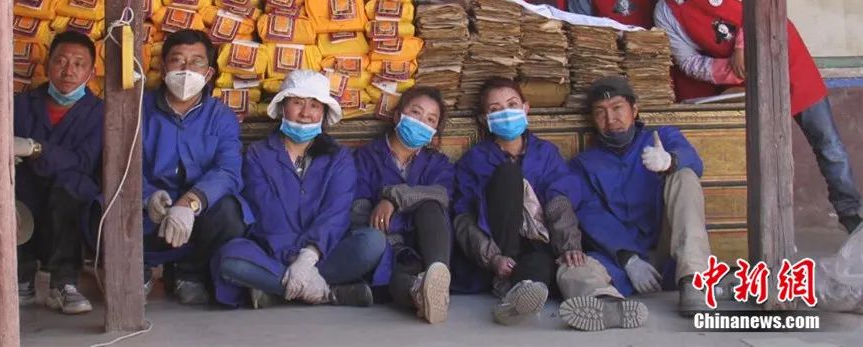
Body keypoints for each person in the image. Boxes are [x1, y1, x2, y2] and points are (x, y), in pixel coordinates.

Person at [644, 0, 863, 233]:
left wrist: (743, 45)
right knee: (762, 157)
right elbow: (687, 61)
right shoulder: (664, 11)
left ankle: (852, 217)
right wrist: (729, 70)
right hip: (743, 83)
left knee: (828, 144)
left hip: (788, 63)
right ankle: (774, 231)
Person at [453, 78, 647, 329]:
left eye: (512, 105)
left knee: (563, 265)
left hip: (540, 246)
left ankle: (603, 303)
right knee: (508, 174)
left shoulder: (545, 153)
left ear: (526, 108)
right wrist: (493, 258)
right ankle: (512, 290)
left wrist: (569, 247)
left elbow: (559, 201)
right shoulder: (474, 160)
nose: (506, 113)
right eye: (495, 109)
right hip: (501, 250)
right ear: (484, 119)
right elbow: (463, 219)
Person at [212, 70, 386, 309]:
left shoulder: (340, 158)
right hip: (273, 252)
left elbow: (336, 212)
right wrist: (294, 257)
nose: (305, 113)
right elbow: (266, 213)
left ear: (323, 113)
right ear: (283, 107)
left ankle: (274, 290)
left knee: (372, 242)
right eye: (297, 103)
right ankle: (328, 293)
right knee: (229, 258)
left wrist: (309, 256)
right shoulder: (258, 155)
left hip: (323, 252)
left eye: (314, 105)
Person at [572, 76, 716, 316]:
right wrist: (629, 259)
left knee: (685, 176)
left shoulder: (662, 137)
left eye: (617, 108)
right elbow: (590, 213)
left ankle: (694, 280)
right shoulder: (583, 164)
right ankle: (607, 307)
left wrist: (671, 161)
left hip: (668, 250)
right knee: (572, 269)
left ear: (634, 110)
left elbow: (693, 160)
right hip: (619, 258)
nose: (610, 119)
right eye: (600, 112)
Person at [140, 29, 250, 304]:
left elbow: (228, 171)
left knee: (231, 213)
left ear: (209, 73)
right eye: (177, 60)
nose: (186, 69)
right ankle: (138, 267)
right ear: (163, 67)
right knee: (99, 206)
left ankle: (187, 272)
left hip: (197, 214)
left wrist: (190, 203)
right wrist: (147, 196)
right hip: (150, 211)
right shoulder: (138, 109)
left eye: (196, 62)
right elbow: (122, 165)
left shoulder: (221, 116)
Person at [15, 31, 103, 314]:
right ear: (47, 65)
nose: (68, 71)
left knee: (70, 186)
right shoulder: (22, 105)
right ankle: (21, 276)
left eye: (79, 64)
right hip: (29, 192)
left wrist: (36, 149)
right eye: (61, 61)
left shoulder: (100, 113)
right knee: (15, 187)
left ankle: (64, 283)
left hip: (71, 197)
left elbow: (84, 161)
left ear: (91, 72)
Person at [352, 86, 455, 324]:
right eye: (416, 113)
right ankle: (421, 295)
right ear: (398, 116)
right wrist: (395, 240)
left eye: (430, 119)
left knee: (431, 205)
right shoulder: (365, 157)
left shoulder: (437, 163)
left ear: (434, 130)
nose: (421, 122)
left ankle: (437, 280)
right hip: (389, 246)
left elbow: (442, 194)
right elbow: (359, 208)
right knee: (397, 277)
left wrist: (394, 198)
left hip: (429, 245)